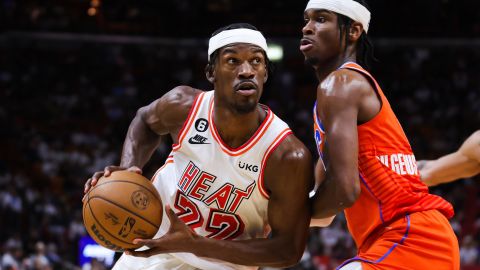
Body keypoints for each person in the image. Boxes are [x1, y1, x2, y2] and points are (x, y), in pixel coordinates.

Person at [83, 23, 319, 270]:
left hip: (223, 264)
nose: (247, 70)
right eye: (232, 61)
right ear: (211, 72)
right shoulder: (183, 105)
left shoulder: (286, 155)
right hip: (153, 242)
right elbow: (144, 120)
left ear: (266, 74)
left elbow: (288, 251)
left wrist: (195, 244)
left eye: (256, 61)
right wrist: (127, 169)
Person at [300, 0, 460, 269]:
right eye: (306, 19)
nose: (307, 28)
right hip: (406, 239)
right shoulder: (337, 100)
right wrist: (265, 220)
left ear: (353, 31)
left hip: (412, 237)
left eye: (321, 19)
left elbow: (344, 190)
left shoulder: (341, 84)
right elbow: (324, 213)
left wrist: (279, 215)